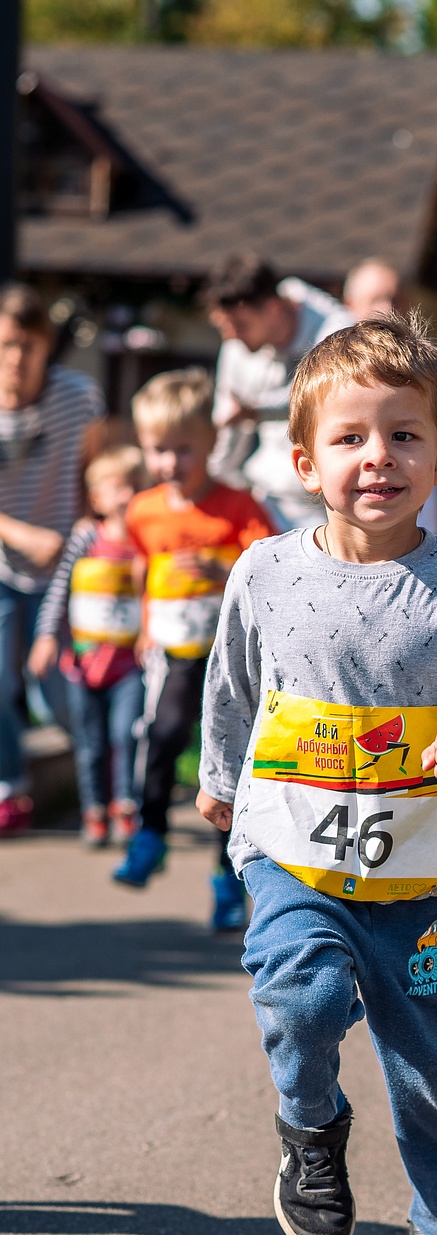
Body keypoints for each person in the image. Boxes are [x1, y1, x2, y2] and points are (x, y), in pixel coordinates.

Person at [195, 314, 437, 1235]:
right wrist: (219, 779)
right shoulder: (263, 572)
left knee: (435, 1073)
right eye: (350, 437)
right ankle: (310, 1125)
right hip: (288, 851)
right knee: (299, 996)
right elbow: (231, 686)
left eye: (404, 435)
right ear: (304, 459)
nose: (377, 458)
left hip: (421, 876)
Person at [112, 369, 274, 932]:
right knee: (161, 733)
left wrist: (218, 567)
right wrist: (143, 625)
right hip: (177, 652)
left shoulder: (237, 506)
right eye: (159, 450)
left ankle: (228, 880)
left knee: (227, 765)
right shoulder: (144, 510)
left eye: (183, 449)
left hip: (230, 659)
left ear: (210, 442)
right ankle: (150, 834)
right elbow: (142, 564)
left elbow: (269, 571)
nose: (170, 463)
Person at [0, 283, 106, 835]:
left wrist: (91, 524)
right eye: (6, 345)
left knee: (67, 690)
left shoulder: (78, 395)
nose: (16, 358)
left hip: (68, 567)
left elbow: (94, 467)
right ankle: (9, 790)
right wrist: (20, 535)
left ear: (45, 347)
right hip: (4, 566)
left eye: (27, 346)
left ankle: (103, 787)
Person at [27, 446, 147, 846]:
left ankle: (126, 806)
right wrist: (46, 636)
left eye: (134, 486)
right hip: (82, 663)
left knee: (125, 734)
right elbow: (59, 589)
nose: (127, 495)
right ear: (97, 497)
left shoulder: (143, 544)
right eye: (117, 488)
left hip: (128, 664)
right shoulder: (85, 539)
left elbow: (153, 595)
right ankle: (94, 811)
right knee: (90, 743)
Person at [205, 252, 353, 532]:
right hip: (262, 499)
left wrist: (255, 409)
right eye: (224, 325)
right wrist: (213, 485)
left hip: (327, 507)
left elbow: (324, 395)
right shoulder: (238, 340)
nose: (230, 336)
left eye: (239, 325)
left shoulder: (338, 331)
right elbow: (230, 424)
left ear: (273, 308)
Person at [343, 257, 437, 541]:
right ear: (349, 304)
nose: (388, 308)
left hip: (424, 535)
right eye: (377, 298)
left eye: (395, 298)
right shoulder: (330, 372)